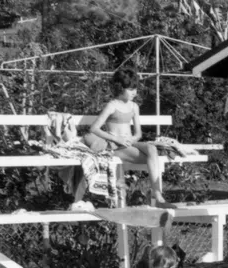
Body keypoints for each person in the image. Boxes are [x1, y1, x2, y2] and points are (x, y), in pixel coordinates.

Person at [70, 78, 166, 206]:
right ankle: (158, 198)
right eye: (130, 89)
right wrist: (116, 139)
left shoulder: (134, 106)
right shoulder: (112, 105)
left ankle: (157, 193)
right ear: (121, 88)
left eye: (135, 89)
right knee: (153, 159)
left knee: (152, 149)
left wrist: (132, 139)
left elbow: (138, 134)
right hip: (115, 146)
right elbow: (94, 128)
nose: (134, 92)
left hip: (129, 143)